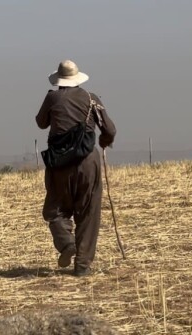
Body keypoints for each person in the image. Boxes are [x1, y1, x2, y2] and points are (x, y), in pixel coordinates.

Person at [36, 60, 117, 277]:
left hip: (59, 163)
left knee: (55, 208)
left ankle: (65, 243)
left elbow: (41, 123)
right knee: (88, 210)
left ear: (59, 81)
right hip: (87, 162)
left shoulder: (52, 98)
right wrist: (104, 141)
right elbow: (109, 128)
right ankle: (82, 265)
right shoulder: (91, 99)